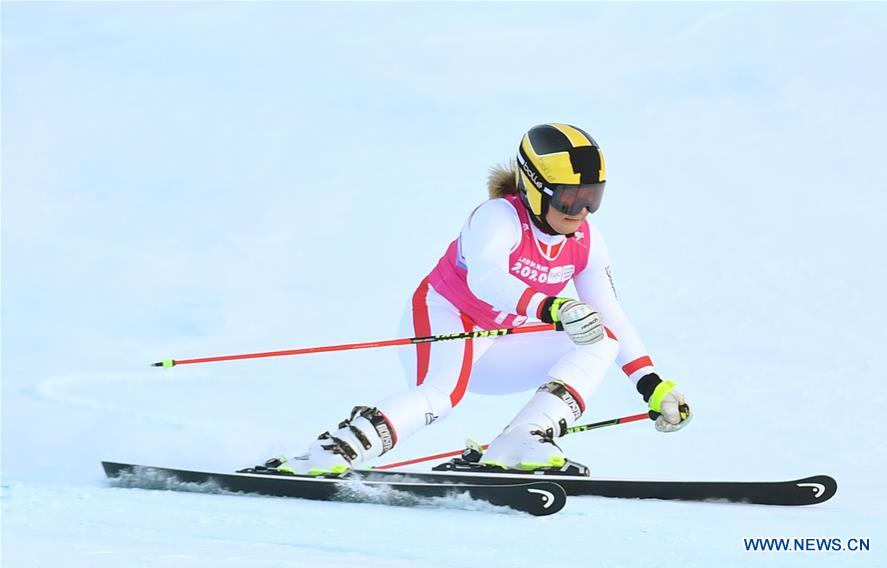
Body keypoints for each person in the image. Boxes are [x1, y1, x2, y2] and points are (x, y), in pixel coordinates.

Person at [274, 123, 691, 476]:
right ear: (536, 188)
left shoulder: (586, 239)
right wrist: (552, 307)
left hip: (504, 341)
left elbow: (610, 312)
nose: (580, 211)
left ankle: (522, 441)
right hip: (446, 317)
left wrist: (651, 384)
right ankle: (331, 452)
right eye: (568, 197)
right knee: (441, 397)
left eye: (592, 198)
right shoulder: (497, 217)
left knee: (601, 338)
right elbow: (488, 281)